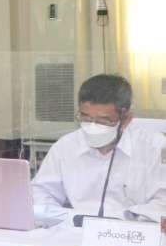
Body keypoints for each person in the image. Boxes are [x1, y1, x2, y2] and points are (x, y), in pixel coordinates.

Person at [31, 73, 166, 225]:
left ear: (126, 119)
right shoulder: (65, 146)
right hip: (74, 230)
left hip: (132, 231)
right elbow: (41, 192)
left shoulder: (156, 148)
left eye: (103, 120)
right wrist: (58, 218)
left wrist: (125, 220)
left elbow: (162, 204)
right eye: (86, 118)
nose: (93, 127)